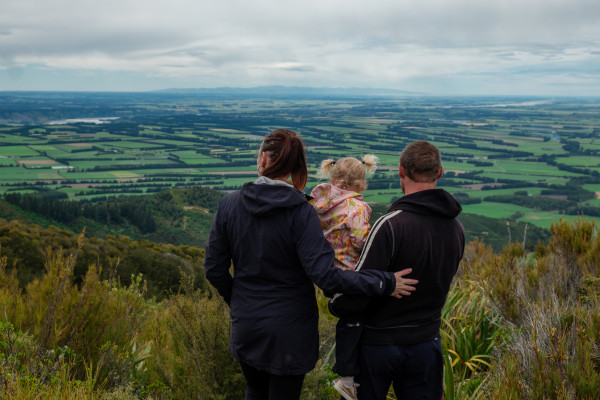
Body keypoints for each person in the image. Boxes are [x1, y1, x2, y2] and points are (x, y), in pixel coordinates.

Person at [203, 129, 418, 400]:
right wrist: (385, 282)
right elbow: (327, 277)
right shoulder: (300, 211)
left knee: (254, 391)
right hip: (289, 332)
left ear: (263, 159)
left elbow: (214, 268)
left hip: (247, 325)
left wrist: (239, 301)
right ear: (295, 167)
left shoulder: (230, 204)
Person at [329, 140, 465, 400]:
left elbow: (359, 288)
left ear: (401, 171)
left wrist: (336, 304)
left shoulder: (390, 226)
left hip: (377, 346)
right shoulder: (456, 229)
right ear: (439, 172)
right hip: (427, 344)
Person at [309, 155, 379, 400]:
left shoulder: (318, 203)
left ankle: (349, 377)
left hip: (329, 272)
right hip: (351, 272)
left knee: (350, 314)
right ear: (361, 183)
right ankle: (348, 378)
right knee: (359, 313)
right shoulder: (356, 208)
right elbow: (362, 242)